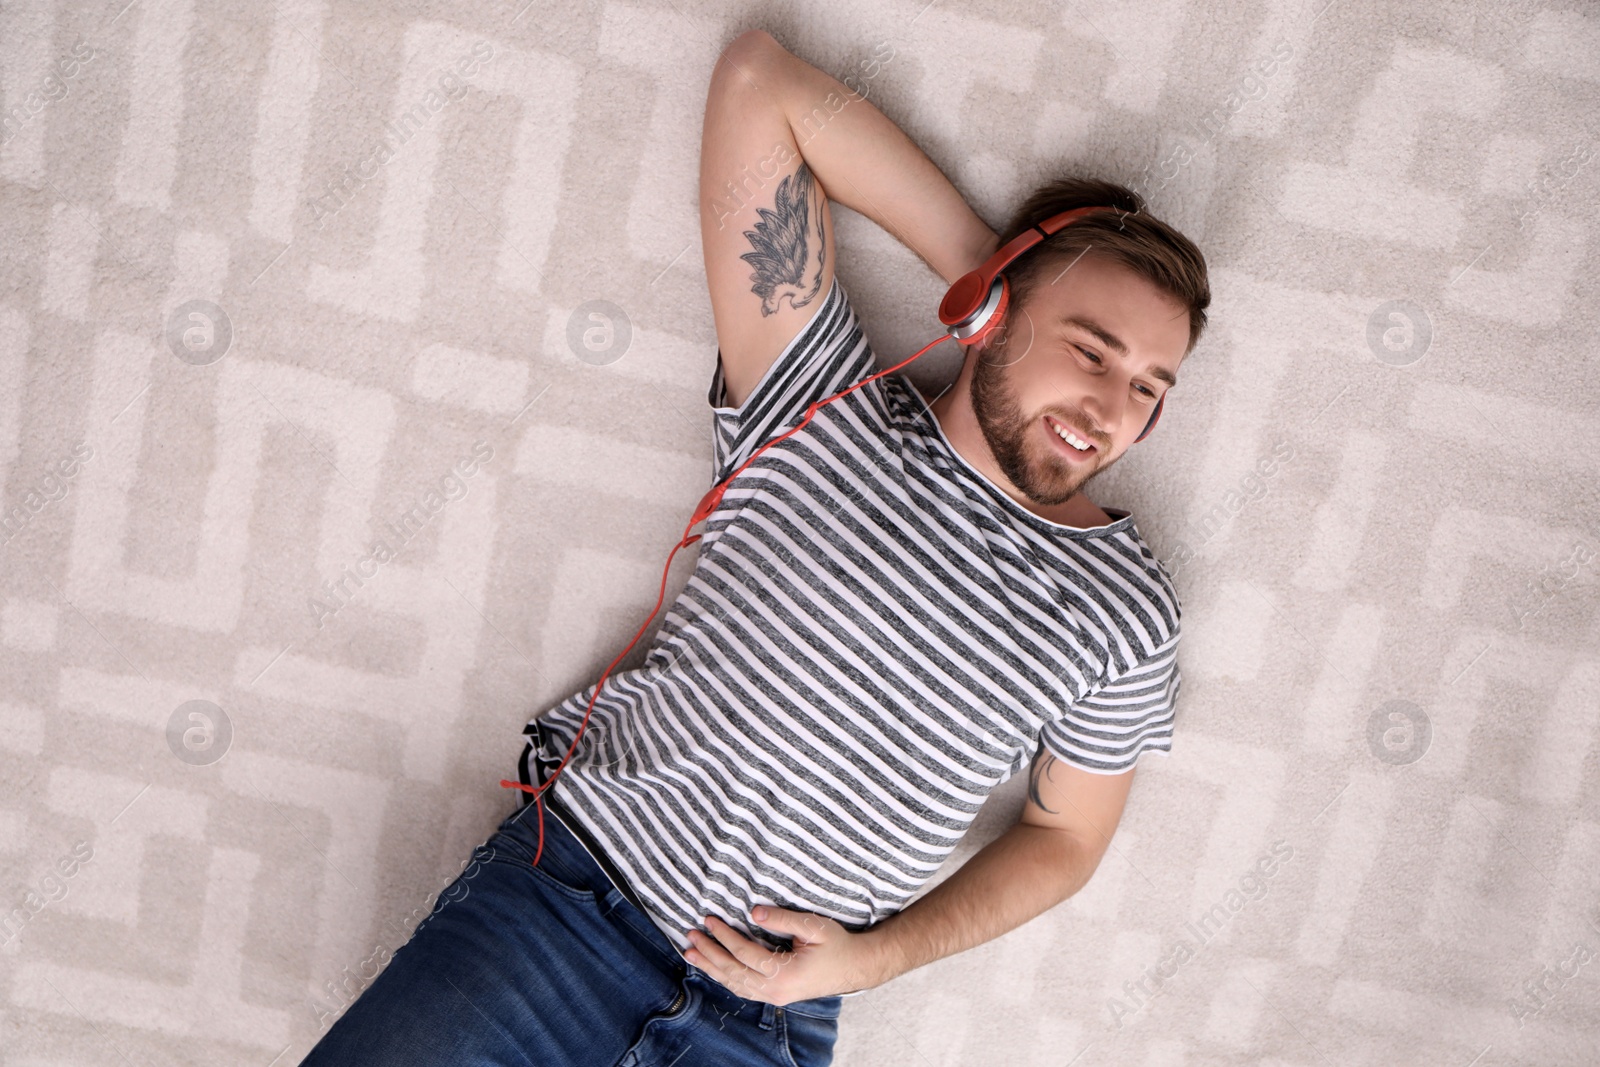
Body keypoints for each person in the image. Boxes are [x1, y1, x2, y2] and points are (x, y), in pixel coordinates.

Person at [300, 27, 1209, 1067]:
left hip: (771, 1018)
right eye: (1090, 348)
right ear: (997, 312)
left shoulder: (1126, 611)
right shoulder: (819, 405)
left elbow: (1066, 841)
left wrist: (869, 962)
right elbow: (756, 84)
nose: (1109, 407)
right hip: (566, 911)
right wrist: (978, 266)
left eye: (1148, 387)